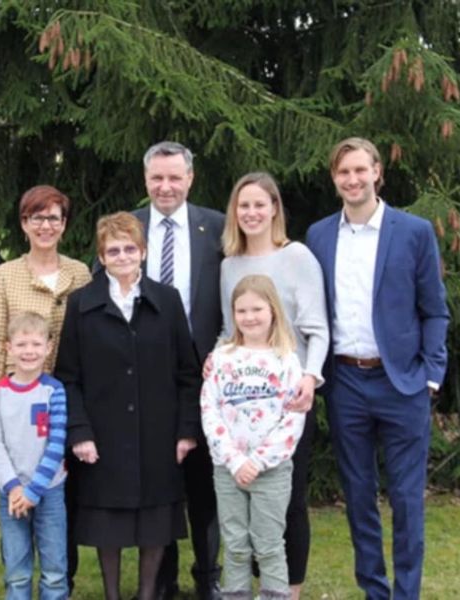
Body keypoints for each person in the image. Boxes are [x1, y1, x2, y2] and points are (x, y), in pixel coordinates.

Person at [305, 137, 449, 600]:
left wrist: (431, 374)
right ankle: (374, 590)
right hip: (345, 381)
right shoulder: (320, 235)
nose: (352, 179)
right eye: (343, 172)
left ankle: (406, 593)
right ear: (334, 178)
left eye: (360, 170)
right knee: (359, 496)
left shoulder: (414, 232)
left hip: (402, 382)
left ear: (377, 173)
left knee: (407, 499)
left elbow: (435, 310)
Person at [55, 212, 201, 600]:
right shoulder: (81, 304)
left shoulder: (166, 301)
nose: (122, 256)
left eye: (129, 248)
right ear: (101, 257)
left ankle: (147, 593)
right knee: (109, 521)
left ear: (143, 252)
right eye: (113, 250)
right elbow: (68, 376)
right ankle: (113, 594)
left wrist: (187, 430)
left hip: (158, 430)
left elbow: (188, 372)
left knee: (155, 520)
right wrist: (80, 432)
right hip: (103, 433)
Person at [219, 172, 329, 600]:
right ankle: (245, 589)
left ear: (274, 209)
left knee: (289, 500)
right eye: (243, 206)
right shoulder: (229, 264)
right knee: (243, 502)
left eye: (259, 205)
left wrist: (309, 377)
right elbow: (231, 332)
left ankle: (289, 591)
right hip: (240, 407)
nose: (251, 213)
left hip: (290, 402)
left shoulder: (297, 256)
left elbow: (317, 329)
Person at [135, 141, 225, 600]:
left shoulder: (218, 228)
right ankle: (163, 579)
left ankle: (208, 575)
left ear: (190, 178)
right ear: (146, 179)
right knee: (161, 479)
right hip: (147, 379)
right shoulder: (128, 227)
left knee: (206, 482)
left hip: (209, 375)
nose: (165, 186)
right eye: (157, 178)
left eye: (174, 177)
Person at [201, 274, 308, 600]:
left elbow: (293, 418)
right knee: (234, 543)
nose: (250, 317)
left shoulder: (286, 359)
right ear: (233, 314)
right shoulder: (222, 356)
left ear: (273, 310)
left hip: (271, 470)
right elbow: (210, 409)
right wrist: (234, 460)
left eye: (257, 309)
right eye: (241, 311)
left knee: (269, 543)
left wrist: (258, 461)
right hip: (228, 469)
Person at [0, 185, 91, 417]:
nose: (46, 226)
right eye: (38, 218)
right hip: (18, 392)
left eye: (53, 218)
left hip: (69, 395)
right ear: (24, 223)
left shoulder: (80, 274)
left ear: (63, 224)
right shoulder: (4, 275)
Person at [0, 311, 68, 600]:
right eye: (21, 345)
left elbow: (56, 445)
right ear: (8, 348)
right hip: (11, 494)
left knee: (55, 570)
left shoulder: (54, 391)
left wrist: (34, 490)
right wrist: (14, 488)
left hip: (49, 490)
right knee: (17, 570)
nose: (29, 352)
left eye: (36, 344)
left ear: (47, 348)